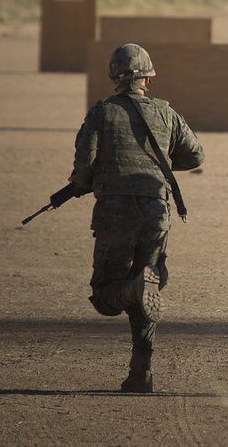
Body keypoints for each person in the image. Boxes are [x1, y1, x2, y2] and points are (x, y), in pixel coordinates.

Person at [70, 43, 204, 393]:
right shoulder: (166, 114)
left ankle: (132, 290)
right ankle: (140, 373)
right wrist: (156, 165)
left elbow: (85, 163)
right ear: (147, 77)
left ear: (115, 77)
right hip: (156, 213)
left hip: (115, 212)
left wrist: (83, 184)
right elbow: (195, 156)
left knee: (105, 297)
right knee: (149, 283)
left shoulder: (101, 113)